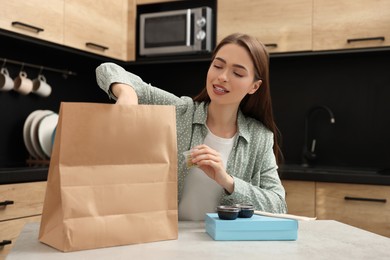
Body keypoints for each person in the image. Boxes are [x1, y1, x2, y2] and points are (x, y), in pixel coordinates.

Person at [96, 33, 287, 220]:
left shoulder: (260, 137)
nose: (222, 76)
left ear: (254, 86)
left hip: (227, 247)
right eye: (218, 66)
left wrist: (227, 181)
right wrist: (128, 94)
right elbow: (107, 69)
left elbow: (278, 205)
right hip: (168, 240)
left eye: (237, 73)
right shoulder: (180, 112)